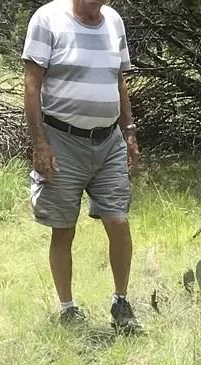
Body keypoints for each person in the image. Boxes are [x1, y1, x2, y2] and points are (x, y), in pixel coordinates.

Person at [23, 0, 142, 332]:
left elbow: (118, 81)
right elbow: (31, 85)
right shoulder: (47, 19)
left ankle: (121, 303)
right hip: (62, 140)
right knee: (63, 228)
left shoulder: (113, 21)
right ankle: (68, 308)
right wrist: (40, 144)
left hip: (109, 141)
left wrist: (129, 132)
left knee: (119, 221)